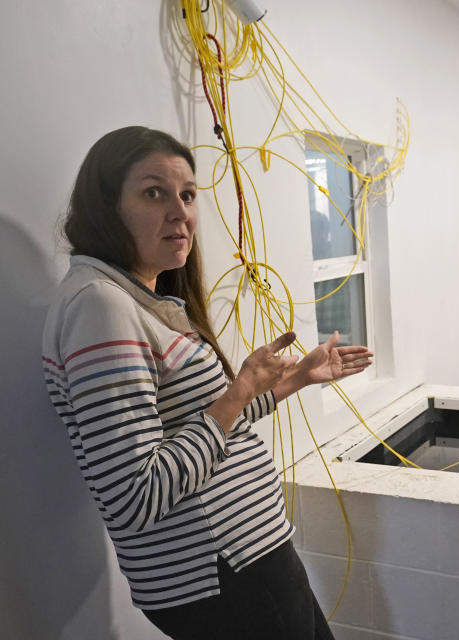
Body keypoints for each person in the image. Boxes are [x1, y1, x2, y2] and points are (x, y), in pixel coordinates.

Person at [41, 126, 373, 639]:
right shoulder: (100, 306)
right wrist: (239, 389)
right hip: (222, 573)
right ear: (106, 207)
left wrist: (296, 379)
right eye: (154, 193)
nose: (181, 212)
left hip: (244, 557)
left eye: (188, 194)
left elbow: (205, 424)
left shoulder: (134, 297)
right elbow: (136, 495)